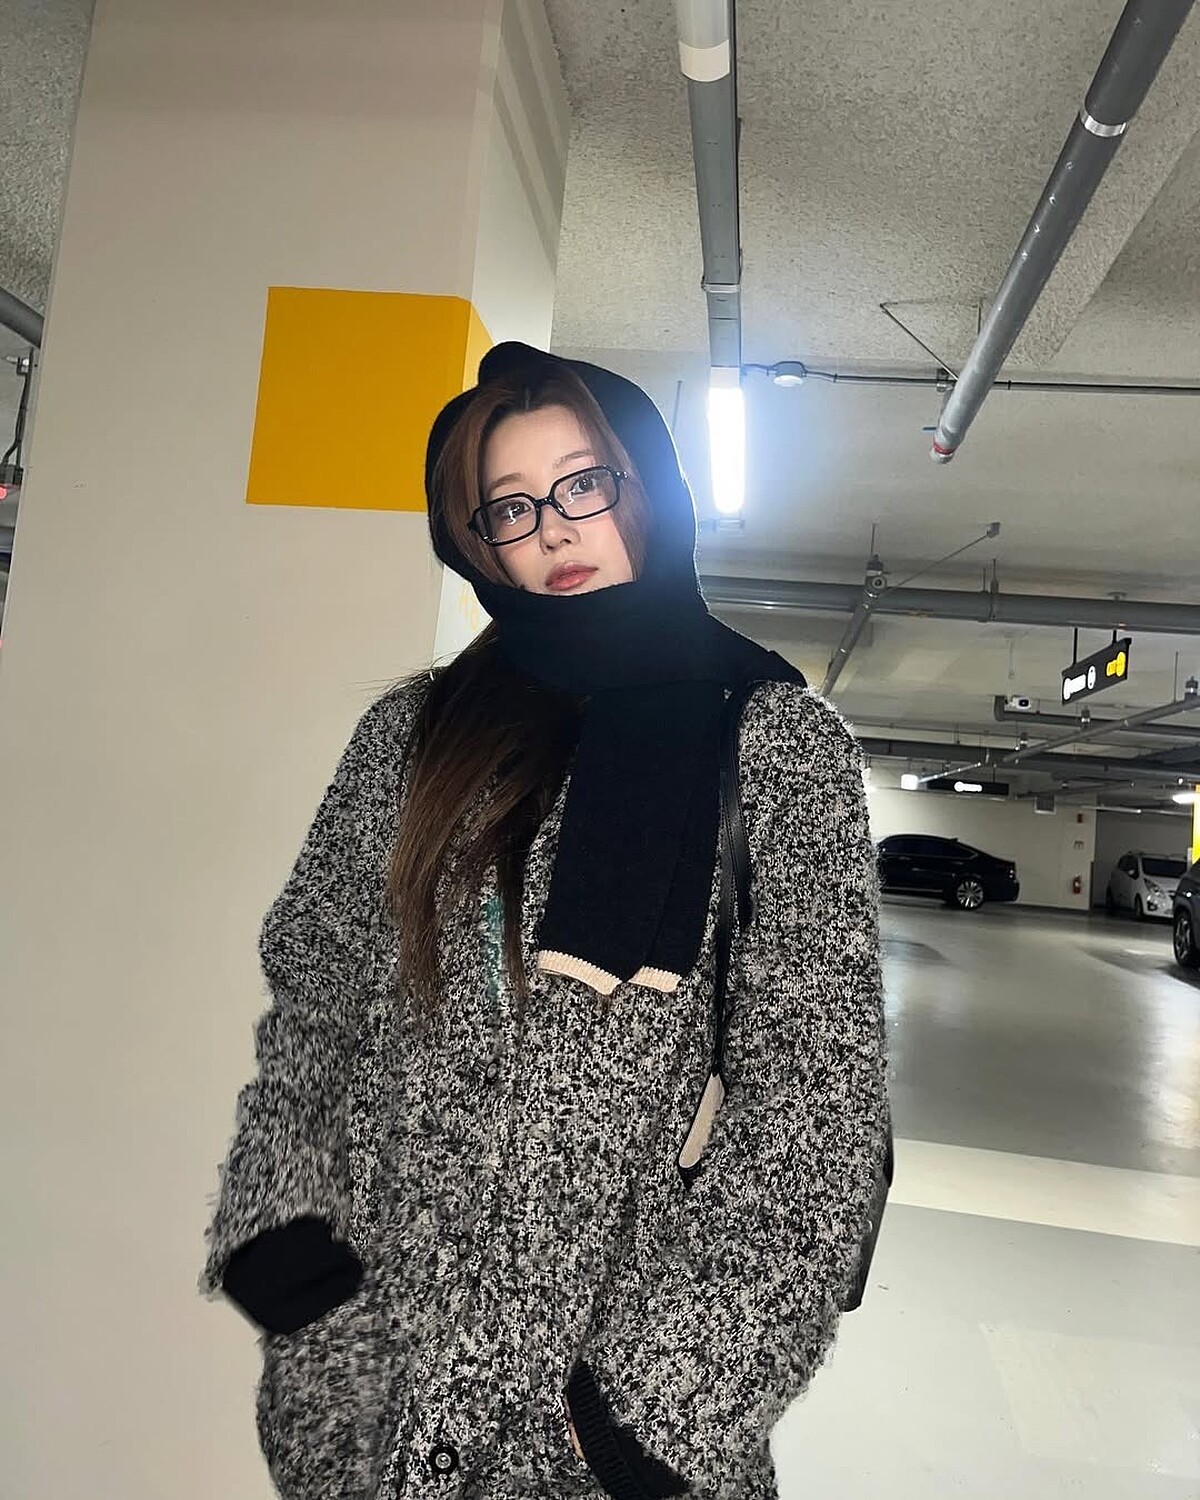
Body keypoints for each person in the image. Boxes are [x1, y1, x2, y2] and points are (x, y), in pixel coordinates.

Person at [201, 342, 890, 1500]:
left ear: (648, 488)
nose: (555, 530)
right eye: (510, 507)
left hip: (610, 1410)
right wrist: (289, 1245)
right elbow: (320, 979)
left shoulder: (774, 739)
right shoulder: (417, 732)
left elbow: (818, 1109)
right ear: (477, 542)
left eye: (584, 484)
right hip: (383, 1385)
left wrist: (657, 1416)